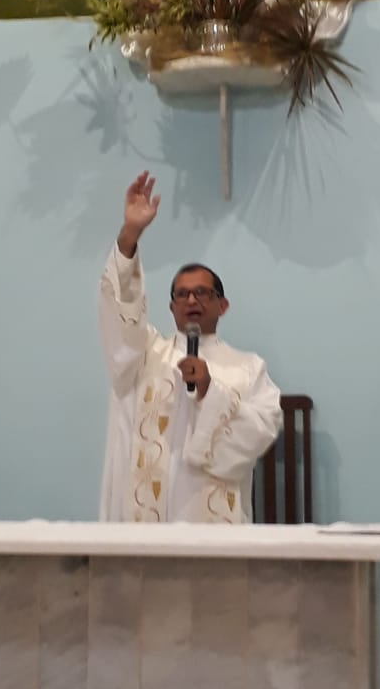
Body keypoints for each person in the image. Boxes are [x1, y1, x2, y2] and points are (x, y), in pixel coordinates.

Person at [99, 173, 282, 523]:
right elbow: (120, 316)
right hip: (147, 532)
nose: (191, 300)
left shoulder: (247, 368)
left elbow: (261, 431)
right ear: (171, 308)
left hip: (213, 535)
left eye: (202, 293)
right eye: (181, 294)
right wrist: (130, 235)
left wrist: (211, 391)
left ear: (222, 305)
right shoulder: (145, 355)